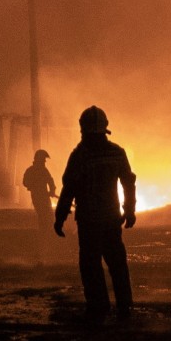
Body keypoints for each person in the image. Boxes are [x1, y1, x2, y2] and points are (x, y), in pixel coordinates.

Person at [54, 106, 137, 323]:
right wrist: (129, 211)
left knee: (91, 265)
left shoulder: (79, 155)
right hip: (111, 219)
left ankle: (99, 308)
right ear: (104, 129)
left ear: (83, 130)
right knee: (117, 263)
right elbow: (128, 183)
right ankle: (125, 306)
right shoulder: (116, 153)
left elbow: (68, 189)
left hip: (90, 221)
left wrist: (60, 217)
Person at [22, 149, 57, 235]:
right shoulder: (32, 171)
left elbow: (50, 181)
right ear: (39, 159)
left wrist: (52, 190)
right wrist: (32, 186)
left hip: (44, 196)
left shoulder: (43, 170)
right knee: (43, 214)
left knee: (48, 214)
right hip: (37, 197)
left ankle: (47, 233)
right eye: (44, 159)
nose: (45, 161)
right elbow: (25, 182)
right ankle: (44, 233)